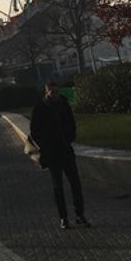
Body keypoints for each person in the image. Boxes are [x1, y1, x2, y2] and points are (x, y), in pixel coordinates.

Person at [29, 80, 90, 230]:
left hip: (66, 150)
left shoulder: (64, 104)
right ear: (47, 91)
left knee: (75, 184)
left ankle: (79, 214)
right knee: (58, 186)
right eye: (52, 91)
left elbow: (71, 123)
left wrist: (69, 138)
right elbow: (34, 131)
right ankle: (63, 217)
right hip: (52, 153)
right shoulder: (40, 108)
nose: (55, 94)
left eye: (57, 91)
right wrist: (46, 145)